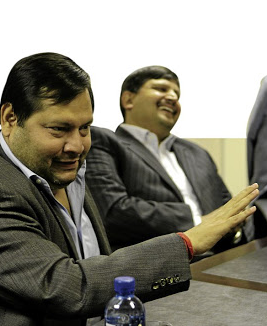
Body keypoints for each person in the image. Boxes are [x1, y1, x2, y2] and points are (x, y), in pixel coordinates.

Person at [0, 53, 259, 325]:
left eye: (85, 128)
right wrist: (189, 242)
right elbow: (67, 287)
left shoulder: (66, 172)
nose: (77, 145)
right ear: (10, 119)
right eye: (59, 129)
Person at [86, 66, 253, 252]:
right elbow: (114, 212)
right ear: (129, 100)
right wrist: (198, 221)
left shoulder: (197, 153)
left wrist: (235, 225)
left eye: (177, 94)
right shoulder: (102, 141)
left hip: (225, 257)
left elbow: (227, 209)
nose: (173, 97)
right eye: (161, 89)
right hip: (158, 266)